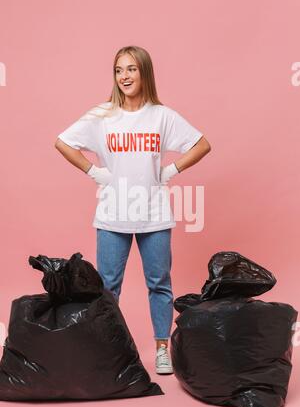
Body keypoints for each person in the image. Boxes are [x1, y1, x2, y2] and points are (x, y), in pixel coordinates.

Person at [55, 45, 211, 374]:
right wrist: (93, 171)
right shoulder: (102, 115)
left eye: (131, 69)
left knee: (159, 282)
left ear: (144, 73)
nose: (124, 76)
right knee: (108, 286)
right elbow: (64, 142)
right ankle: (106, 347)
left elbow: (201, 144)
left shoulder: (161, 116)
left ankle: (161, 348)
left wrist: (171, 171)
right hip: (113, 214)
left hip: (154, 213)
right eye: (118, 70)